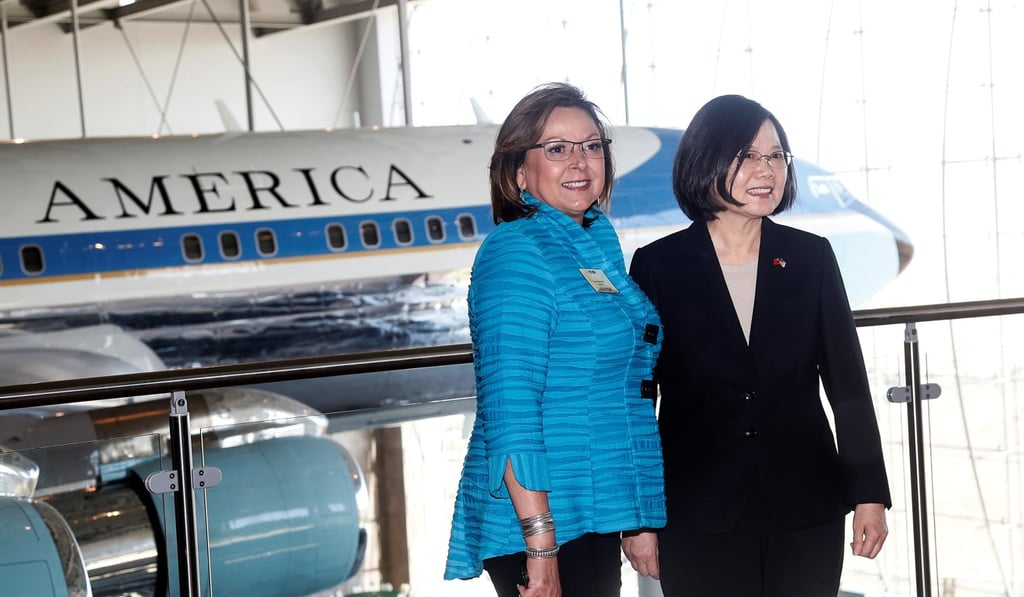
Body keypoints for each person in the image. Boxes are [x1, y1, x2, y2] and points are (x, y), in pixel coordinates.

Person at [627, 94, 892, 596]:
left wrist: (869, 495)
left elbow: (848, 386)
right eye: (746, 155)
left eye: (775, 156)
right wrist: (639, 521)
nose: (765, 169)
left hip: (805, 510)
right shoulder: (658, 267)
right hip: (697, 514)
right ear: (705, 162)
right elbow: (638, 401)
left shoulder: (810, 258)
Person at [444, 82, 666, 597]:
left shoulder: (593, 242)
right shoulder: (517, 252)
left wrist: (636, 518)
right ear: (520, 172)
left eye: (592, 146)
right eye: (558, 149)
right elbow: (512, 409)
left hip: (591, 505)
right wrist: (540, 549)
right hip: (542, 518)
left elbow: (614, 396)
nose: (580, 162)